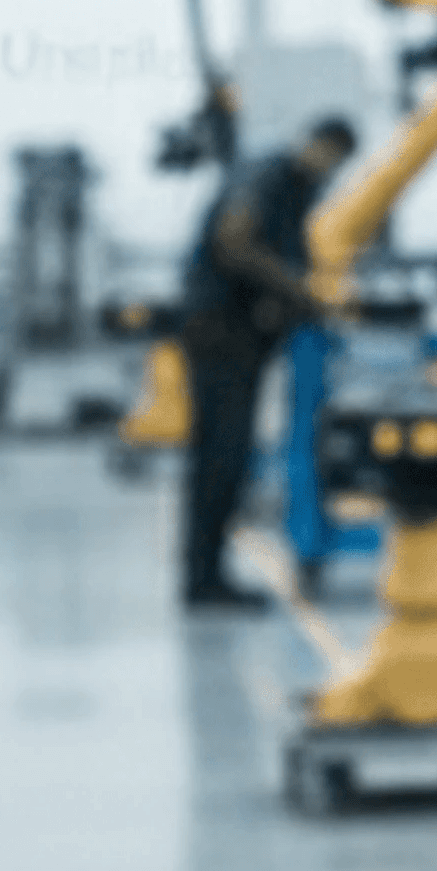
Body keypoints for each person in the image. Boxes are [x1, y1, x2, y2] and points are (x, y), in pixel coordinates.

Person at [173, 113, 356, 611]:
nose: (331, 170)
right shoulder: (268, 177)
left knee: (224, 456)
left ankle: (206, 575)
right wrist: (298, 292)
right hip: (222, 334)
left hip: (239, 336)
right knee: (221, 456)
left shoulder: (292, 186)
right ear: (318, 144)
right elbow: (234, 240)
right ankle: (203, 580)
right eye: (332, 158)